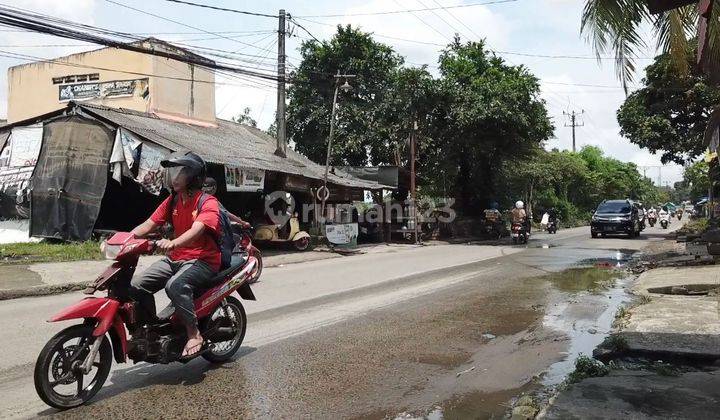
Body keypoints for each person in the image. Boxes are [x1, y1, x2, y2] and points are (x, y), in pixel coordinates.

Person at [129, 151, 221, 359]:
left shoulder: (207, 202)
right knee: (136, 285)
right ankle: (151, 328)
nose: (174, 177)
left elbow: (197, 229)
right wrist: (123, 238)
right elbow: (149, 224)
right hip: (176, 259)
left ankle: (194, 334)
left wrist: (173, 243)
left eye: (179, 172)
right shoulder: (172, 201)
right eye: (172, 172)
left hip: (203, 260)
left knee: (175, 285)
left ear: (193, 176)